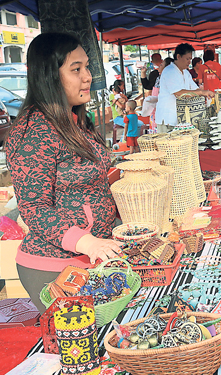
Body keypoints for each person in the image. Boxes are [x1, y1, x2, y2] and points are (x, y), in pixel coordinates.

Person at [4, 32, 122, 313]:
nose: (87, 76)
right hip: (54, 268)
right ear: (49, 75)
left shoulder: (74, 119)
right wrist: (87, 242)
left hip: (91, 259)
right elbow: (34, 209)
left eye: (87, 67)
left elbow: (91, 178)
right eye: (76, 69)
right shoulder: (34, 131)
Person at [155, 43, 214, 132]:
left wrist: (207, 93)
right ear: (178, 56)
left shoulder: (185, 72)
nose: (189, 62)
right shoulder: (169, 71)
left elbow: (195, 89)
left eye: (190, 59)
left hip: (181, 119)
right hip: (168, 119)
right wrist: (202, 93)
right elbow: (179, 94)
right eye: (187, 59)